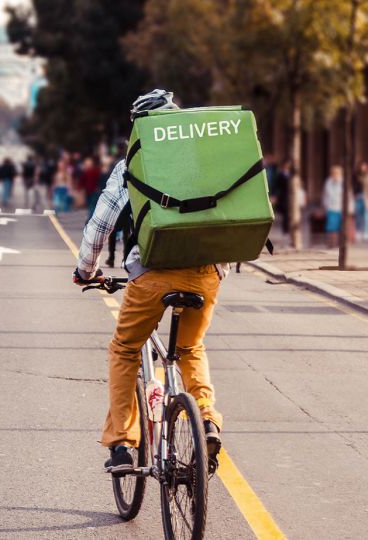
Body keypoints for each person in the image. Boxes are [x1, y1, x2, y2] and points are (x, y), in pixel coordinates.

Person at [72, 89, 224, 474]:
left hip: (152, 274)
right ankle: (206, 419)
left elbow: (100, 228)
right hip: (206, 273)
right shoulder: (204, 159)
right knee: (190, 348)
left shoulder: (130, 167)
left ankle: (123, 444)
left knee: (124, 349)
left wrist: (85, 272)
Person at [323, 165, 343, 248]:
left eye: (337, 173)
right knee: (331, 227)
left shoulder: (343, 182)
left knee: (339, 227)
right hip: (331, 207)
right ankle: (330, 244)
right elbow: (325, 195)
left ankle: (338, 245)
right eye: (333, 173)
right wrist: (325, 205)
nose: (335, 174)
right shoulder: (328, 182)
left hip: (340, 207)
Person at [80, 156, 102, 221]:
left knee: (92, 206)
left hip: (93, 191)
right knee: (92, 205)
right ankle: (92, 218)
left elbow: (82, 182)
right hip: (92, 191)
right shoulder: (95, 171)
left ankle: (91, 219)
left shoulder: (93, 171)